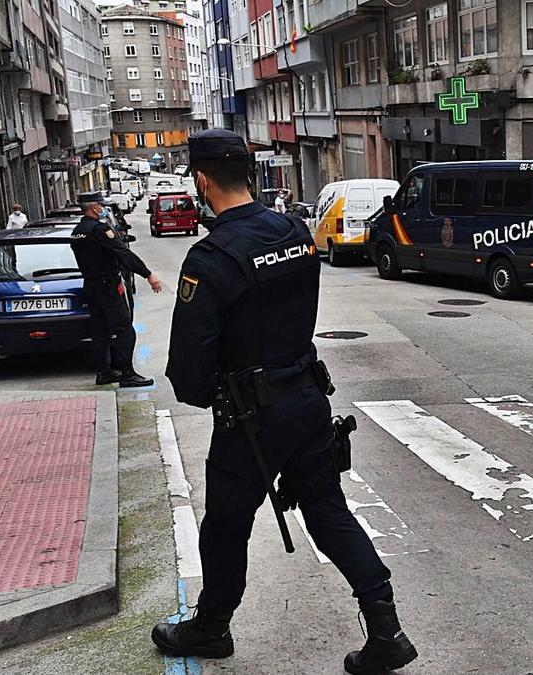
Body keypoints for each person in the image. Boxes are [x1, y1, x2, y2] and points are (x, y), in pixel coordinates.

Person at [152, 130, 417, 674]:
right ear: (247, 173)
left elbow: (189, 372)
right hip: (308, 399)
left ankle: (211, 627)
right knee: (327, 510)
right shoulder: (293, 231)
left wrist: (215, 392)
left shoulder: (213, 256)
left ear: (201, 181)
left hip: (253, 417)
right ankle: (386, 630)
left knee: (225, 525)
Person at [69, 192, 163, 387]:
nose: (102, 208)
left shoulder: (78, 231)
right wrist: (147, 274)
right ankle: (127, 374)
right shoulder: (100, 230)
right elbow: (122, 253)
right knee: (125, 329)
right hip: (107, 286)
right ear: (94, 207)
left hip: (91, 285)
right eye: (100, 206)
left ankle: (104, 372)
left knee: (100, 330)